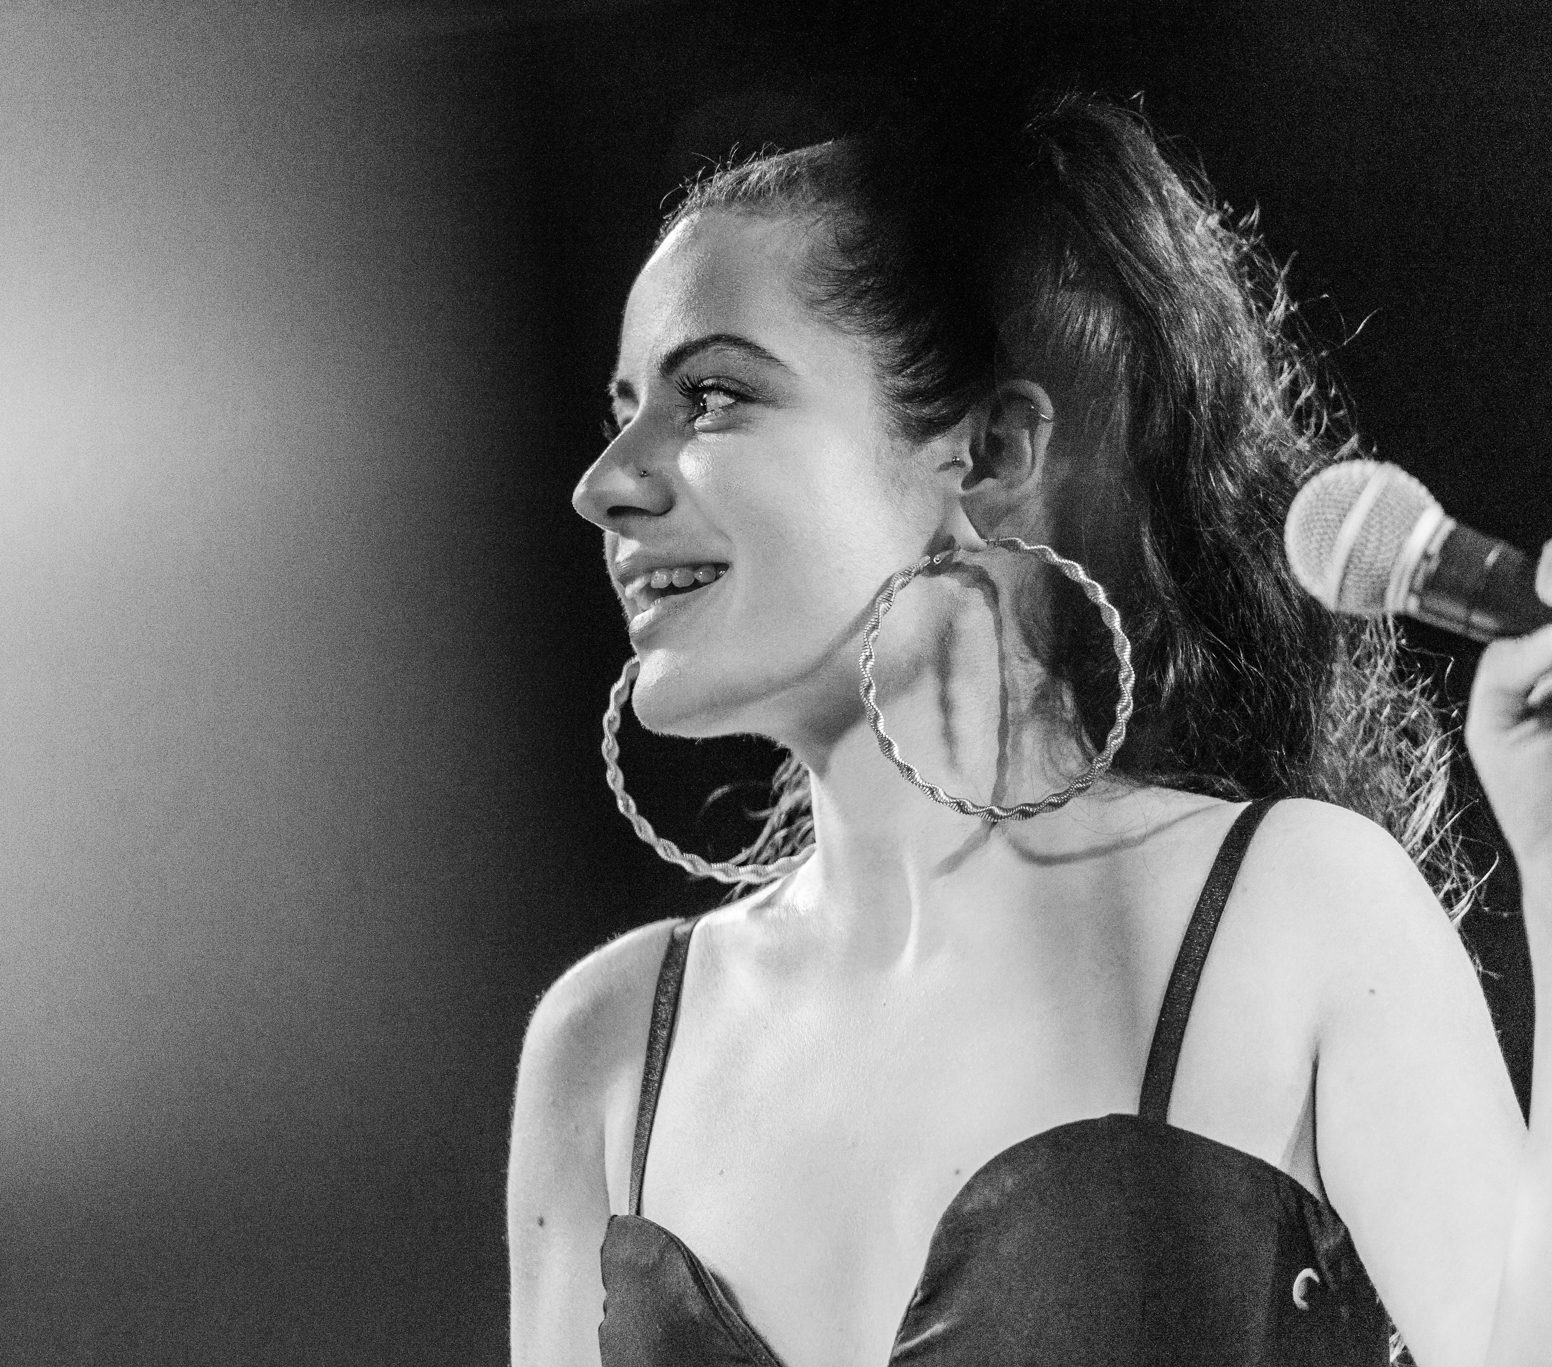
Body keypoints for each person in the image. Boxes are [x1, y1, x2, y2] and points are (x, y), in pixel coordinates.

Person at [507, 93, 1552, 1366]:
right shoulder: (606, 1046)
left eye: (711, 395)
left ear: (990, 452)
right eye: (621, 407)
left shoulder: (1286, 905)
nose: (604, 481)